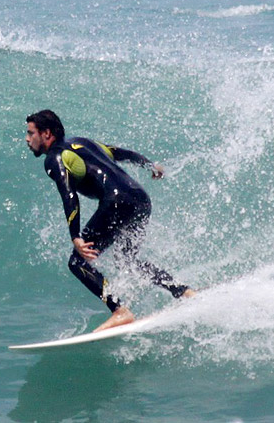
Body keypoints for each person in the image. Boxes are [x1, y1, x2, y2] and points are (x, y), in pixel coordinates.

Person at [25, 109, 195, 332]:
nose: (28, 140)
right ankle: (183, 291)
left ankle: (120, 311)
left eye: (31, 134)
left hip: (116, 202)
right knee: (128, 260)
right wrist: (150, 165)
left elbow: (69, 196)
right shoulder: (83, 142)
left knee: (77, 263)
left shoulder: (54, 158)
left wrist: (75, 236)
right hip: (141, 199)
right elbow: (121, 153)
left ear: (46, 134)